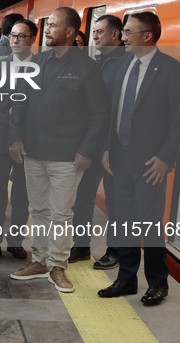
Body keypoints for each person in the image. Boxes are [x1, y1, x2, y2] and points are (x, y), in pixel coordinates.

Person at [8, 7, 109, 293]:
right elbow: (19, 103)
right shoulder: (36, 62)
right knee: (37, 209)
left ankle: (58, 266)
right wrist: (14, 138)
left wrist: (87, 150)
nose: (47, 30)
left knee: (61, 214)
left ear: (70, 32)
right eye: (47, 25)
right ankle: (39, 261)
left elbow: (99, 115)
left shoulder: (88, 68)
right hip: (33, 153)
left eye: (53, 25)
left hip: (68, 156)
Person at [97, 12, 180, 305]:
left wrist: (165, 158)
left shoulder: (171, 69)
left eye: (128, 32)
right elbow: (109, 109)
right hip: (118, 160)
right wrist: (106, 148)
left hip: (151, 165)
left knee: (148, 224)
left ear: (147, 36)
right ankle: (126, 279)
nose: (123, 36)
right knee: (122, 222)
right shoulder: (121, 63)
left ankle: (158, 283)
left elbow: (179, 120)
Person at [69, 14, 126, 269]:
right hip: (92, 144)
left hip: (115, 148)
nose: (95, 36)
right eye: (94, 32)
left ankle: (115, 251)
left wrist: (106, 146)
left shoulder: (128, 65)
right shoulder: (97, 63)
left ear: (116, 34)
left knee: (116, 201)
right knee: (83, 197)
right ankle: (81, 246)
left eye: (100, 32)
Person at [0, 19, 37, 262]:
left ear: (33, 39)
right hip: (2, 139)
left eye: (21, 36)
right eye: (12, 36)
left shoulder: (41, 66)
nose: (14, 41)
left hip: (29, 142)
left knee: (22, 195)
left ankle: (15, 242)